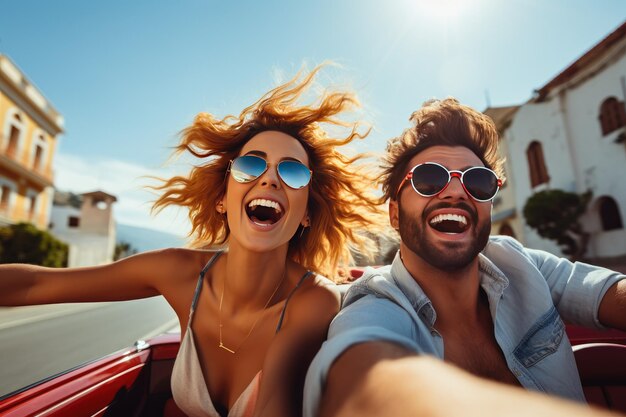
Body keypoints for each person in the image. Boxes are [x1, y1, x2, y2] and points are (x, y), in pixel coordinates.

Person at [0, 66, 386, 417]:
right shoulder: (179, 272)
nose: (269, 179)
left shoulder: (313, 301)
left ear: (305, 214)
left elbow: (275, 402)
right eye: (252, 164)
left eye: (292, 171)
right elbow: (40, 283)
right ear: (222, 199)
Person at [303, 98, 626, 417]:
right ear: (395, 214)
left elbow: (605, 290)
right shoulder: (377, 303)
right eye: (429, 179)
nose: (457, 192)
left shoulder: (518, 262)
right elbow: (361, 378)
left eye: (478, 181)